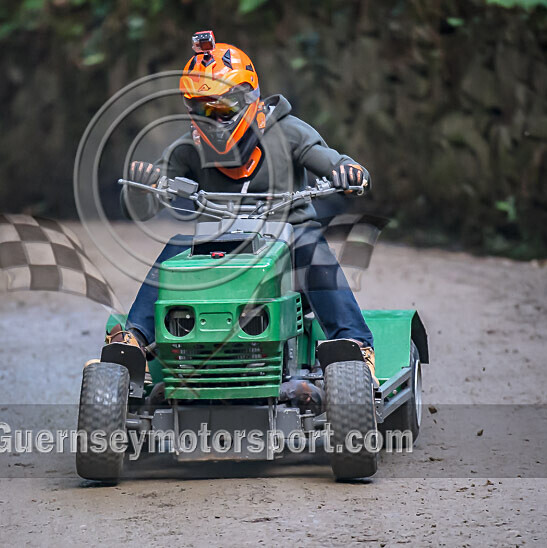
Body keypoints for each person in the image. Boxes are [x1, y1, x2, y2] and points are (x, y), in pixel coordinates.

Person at [109, 31, 377, 384]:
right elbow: (149, 198)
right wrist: (144, 189)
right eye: (202, 110)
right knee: (177, 247)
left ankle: (356, 344)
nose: (214, 120)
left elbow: (332, 161)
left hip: (288, 258)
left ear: (248, 99)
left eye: (222, 109)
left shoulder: (289, 133)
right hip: (218, 253)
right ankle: (135, 340)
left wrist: (348, 171)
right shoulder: (188, 148)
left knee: (310, 245)